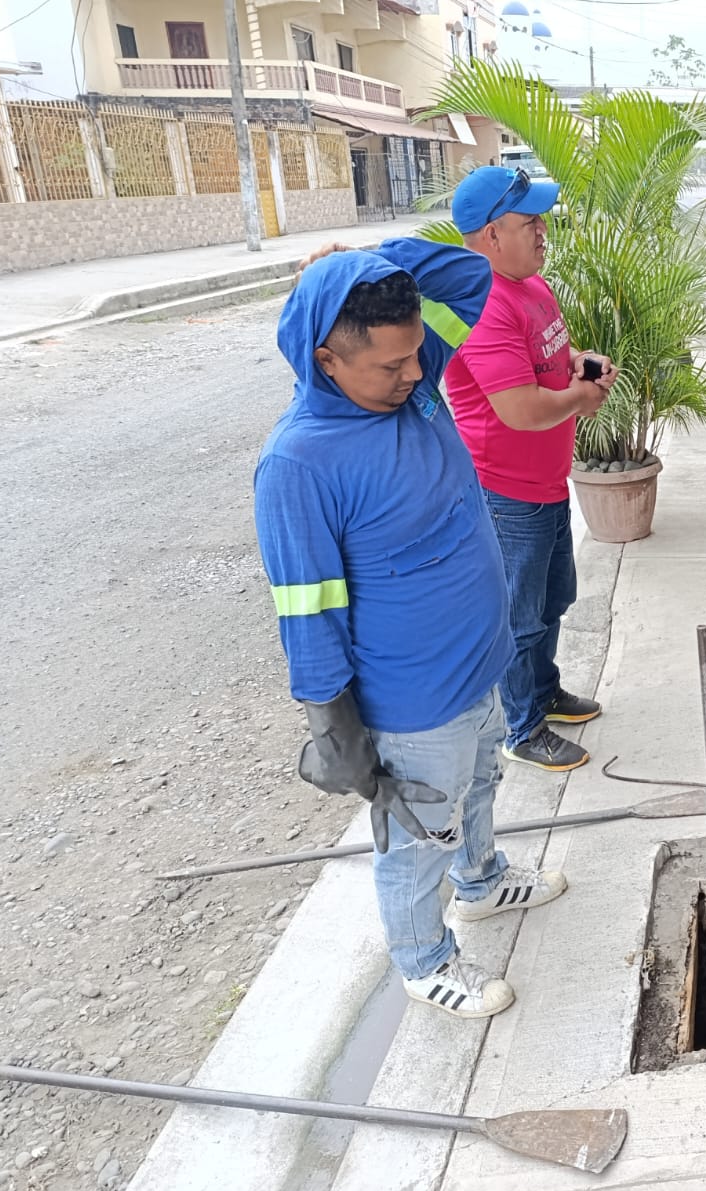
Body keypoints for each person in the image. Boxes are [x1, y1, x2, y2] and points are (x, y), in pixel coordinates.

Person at [254, 237, 569, 1021]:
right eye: (389, 365)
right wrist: (335, 729)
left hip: (481, 659)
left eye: (414, 353)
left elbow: (468, 277)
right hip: (414, 697)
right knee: (421, 833)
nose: (415, 372)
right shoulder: (300, 463)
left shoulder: (412, 380)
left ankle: (483, 881)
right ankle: (424, 959)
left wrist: (366, 263)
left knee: (480, 785)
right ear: (326, 358)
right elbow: (307, 611)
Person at [443, 166, 617, 773]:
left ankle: (544, 691)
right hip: (507, 491)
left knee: (553, 598)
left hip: (545, 480)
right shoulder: (484, 302)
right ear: (491, 235)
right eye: (529, 223)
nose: (543, 232)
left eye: (542, 220)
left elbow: (551, 353)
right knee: (519, 616)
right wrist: (581, 398)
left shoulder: (530, 286)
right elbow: (518, 408)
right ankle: (521, 727)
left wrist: (582, 361)